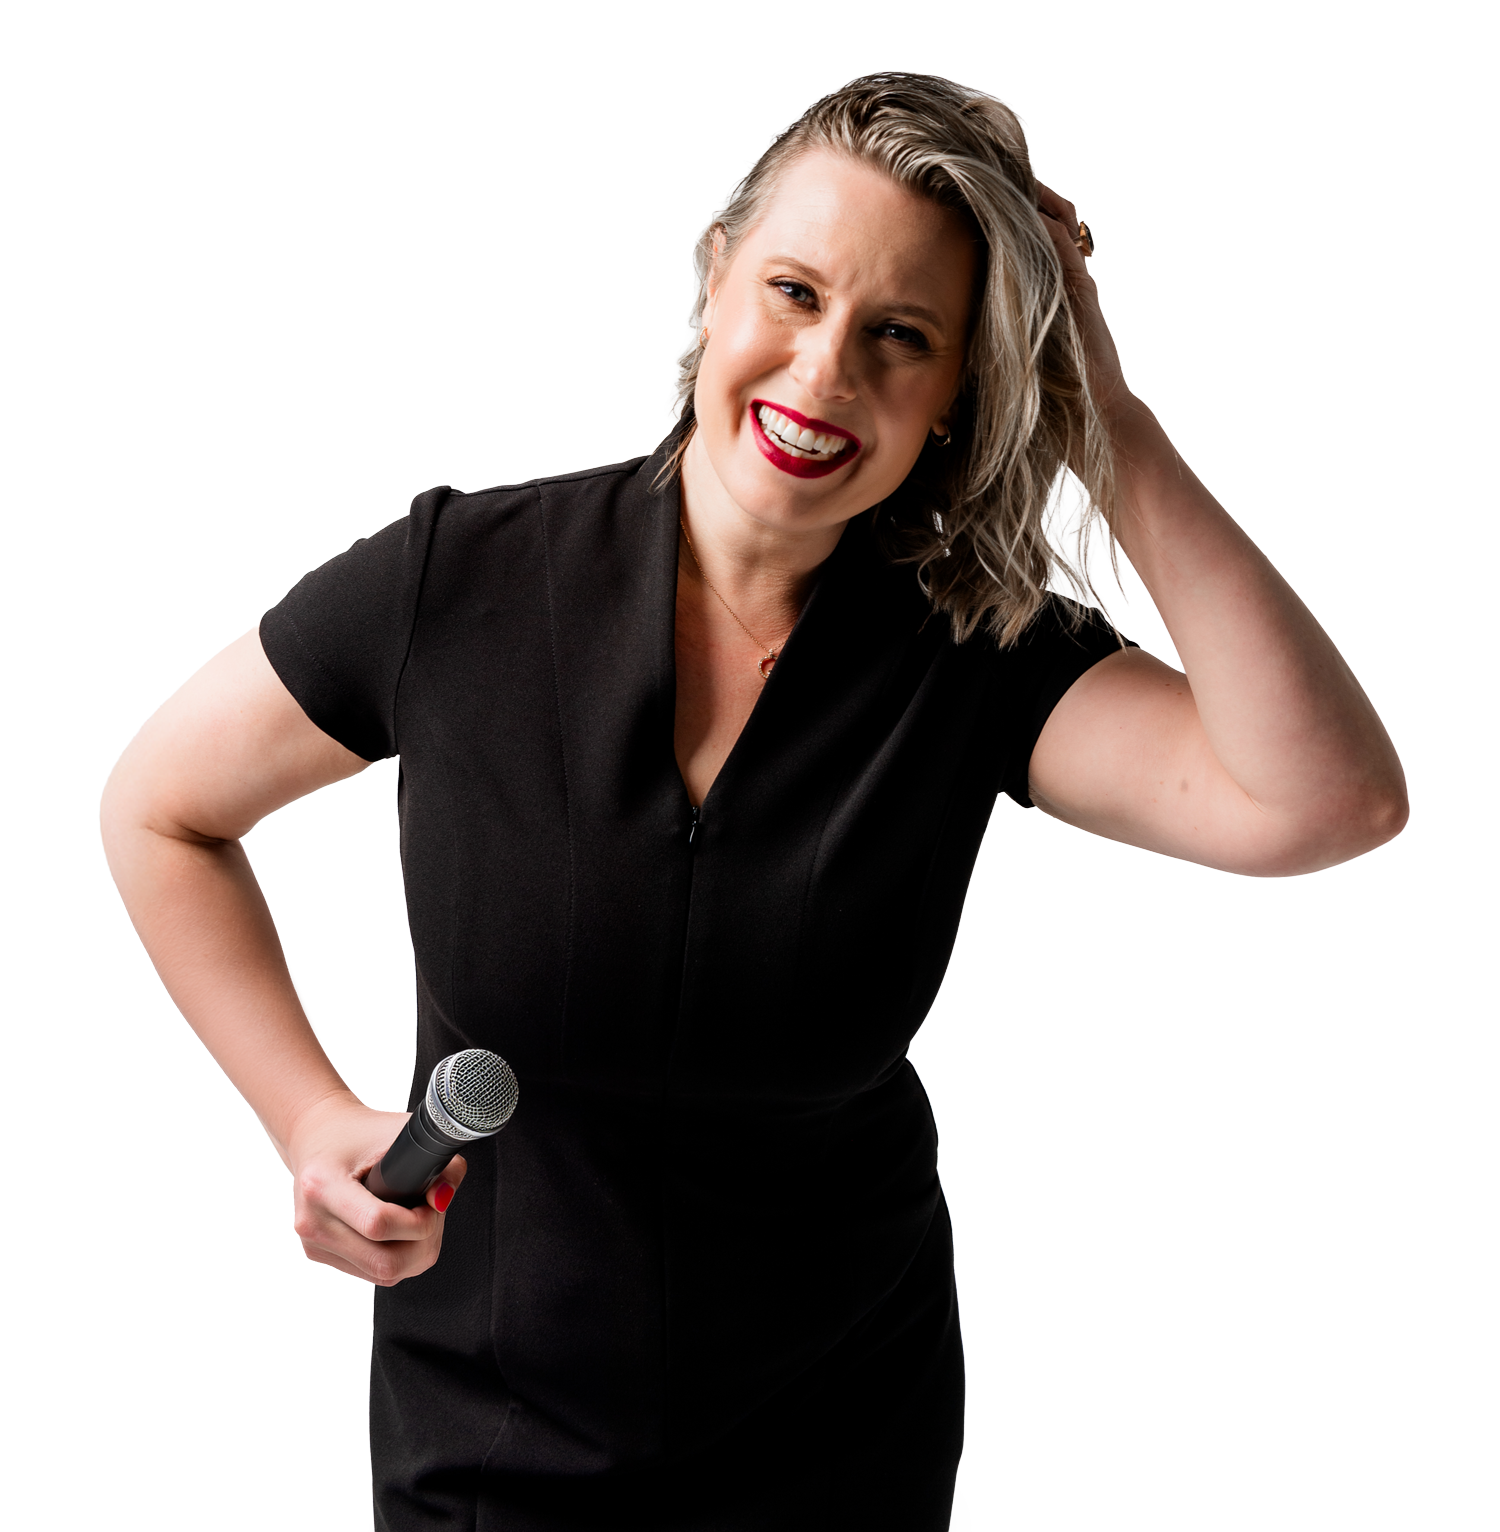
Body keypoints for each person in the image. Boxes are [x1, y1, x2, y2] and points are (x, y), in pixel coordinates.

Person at [98, 73, 1408, 1531]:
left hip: (838, 1442)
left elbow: (1325, 801)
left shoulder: (973, 645)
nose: (825, 373)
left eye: (901, 339)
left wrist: (1111, 420)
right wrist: (304, 1110)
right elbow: (158, 808)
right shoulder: (454, 583)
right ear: (716, 282)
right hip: (493, 1444)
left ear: (960, 395)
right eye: (794, 292)